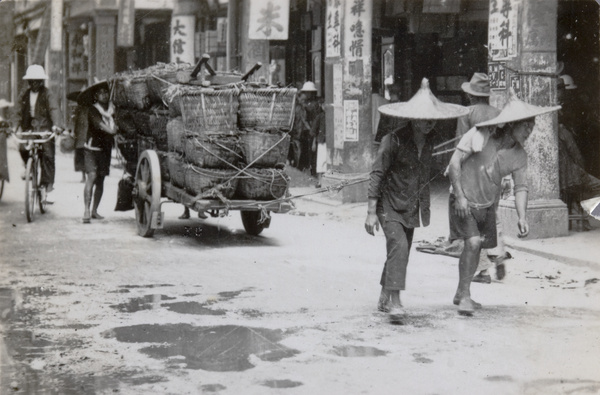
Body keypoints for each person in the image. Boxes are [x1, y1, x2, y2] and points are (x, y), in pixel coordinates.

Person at [448, 91, 560, 315]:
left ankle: (462, 292)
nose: (529, 131)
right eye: (525, 126)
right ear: (511, 124)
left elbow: (521, 187)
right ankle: (465, 296)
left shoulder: (520, 156)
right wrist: (460, 196)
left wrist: (522, 216)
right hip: (463, 199)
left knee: (477, 245)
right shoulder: (480, 135)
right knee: (471, 243)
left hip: (487, 204)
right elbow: (454, 163)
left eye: (532, 126)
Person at [365, 78, 469, 318]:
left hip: (411, 206)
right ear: (413, 118)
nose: (429, 123)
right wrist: (371, 211)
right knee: (399, 247)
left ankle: (384, 295)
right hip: (388, 204)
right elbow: (377, 173)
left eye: (432, 119)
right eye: (424, 119)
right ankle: (395, 302)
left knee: (401, 251)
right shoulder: (393, 140)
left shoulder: (431, 142)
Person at [454, 73, 507, 284]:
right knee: (492, 214)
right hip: (495, 170)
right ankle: (499, 252)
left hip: (473, 172)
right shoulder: (499, 114)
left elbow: (460, 145)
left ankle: (483, 270)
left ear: (471, 95)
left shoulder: (466, 114)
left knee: (475, 219)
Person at [557, 75, 600, 230]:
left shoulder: (560, 126)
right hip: (572, 176)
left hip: (566, 176)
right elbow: (575, 154)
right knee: (594, 187)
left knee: (579, 190)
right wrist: (580, 169)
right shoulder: (563, 130)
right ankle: (592, 217)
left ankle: (582, 220)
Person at [14, 65, 62, 200]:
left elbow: (54, 109)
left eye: (37, 81)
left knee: (48, 154)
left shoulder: (48, 94)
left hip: (44, 128)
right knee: (23, 147)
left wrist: (56, 125)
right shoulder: (24, 94)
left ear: (41, 81)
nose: (34, 83)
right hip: (29, 128)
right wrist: (15, 126)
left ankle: (47, 186)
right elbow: (17, 111)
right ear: (29, 82)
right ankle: (28, 167)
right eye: (31, 81)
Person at [79, 80, 117, 223]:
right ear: (96, 96)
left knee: (100, 180)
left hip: (105, 150)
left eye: (106, 92)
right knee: (92, 175)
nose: (104, 95)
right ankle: (86, 210)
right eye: (100, 93)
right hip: (91, 148)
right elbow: (99, 125)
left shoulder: (113, 109)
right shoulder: (93, 109)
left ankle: (95, 210)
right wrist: (113, 131)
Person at [67, 90, 88, 183]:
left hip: (86, 134)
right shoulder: (77, 110)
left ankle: (86, 175)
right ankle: (84, 175)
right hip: (80, 135)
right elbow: (73, 122)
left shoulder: (88, 109)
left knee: (86, 155)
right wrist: (71, 131)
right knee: (83, 155)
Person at [300, 81, 320, 174]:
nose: (306, 94)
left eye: (308, 92)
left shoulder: (314, 104)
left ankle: (314, 171)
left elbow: (316, 118)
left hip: (313, 129)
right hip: (308, 130)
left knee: (313, 152)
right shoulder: (307, 103)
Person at [310, 98, 326, 188]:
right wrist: (313, 143)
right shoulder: (319, 117)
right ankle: (320, 181)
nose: (325, 107)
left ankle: (325, 181)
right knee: (320, 161)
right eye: (324, 105)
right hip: (321, 141)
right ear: (321, 106)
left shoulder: (332, 116)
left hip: (330, 142)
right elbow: (314, 131)